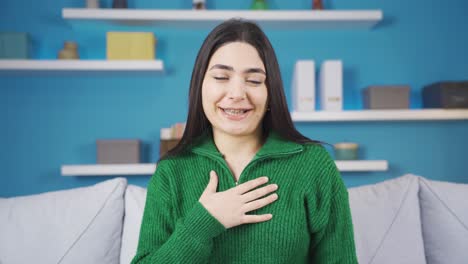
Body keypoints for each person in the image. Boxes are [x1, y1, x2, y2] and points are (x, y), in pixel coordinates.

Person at [131, 19, 358, 263]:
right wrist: (203, 223)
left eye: (254, 81)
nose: (237, 94)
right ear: (200, 87)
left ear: (271, 92)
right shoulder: (171, 172)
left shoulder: (313, 165)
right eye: (221, 77)